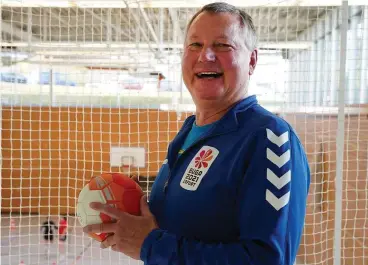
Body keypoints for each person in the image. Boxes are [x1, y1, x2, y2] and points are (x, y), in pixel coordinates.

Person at [83, 2, 310, 265]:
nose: (206, 56)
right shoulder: (188, 133)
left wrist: (151, 245)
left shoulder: (269, 138)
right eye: (195, 45)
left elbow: (268, 260)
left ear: (252, 60)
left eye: (223, 45)